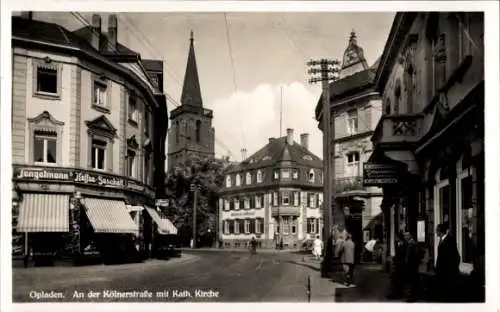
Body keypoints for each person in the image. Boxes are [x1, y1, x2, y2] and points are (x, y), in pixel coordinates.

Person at [435, 223, 460, 302]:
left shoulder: (450, 240)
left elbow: (455, 256)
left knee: (448, 293)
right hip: (441, 271)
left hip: (448, 271)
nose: (436, 232)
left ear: (440, 231)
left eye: (437, 230)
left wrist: (451, 269)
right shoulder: (441, 239)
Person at [387, 232, 408, 299]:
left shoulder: (404, 245)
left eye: (396, 237)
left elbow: (402, 256)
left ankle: (396, 293)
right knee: (394, 276)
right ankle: (395, 292)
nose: (395, 239)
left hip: (402, 266)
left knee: (396, 277)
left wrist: (394, 259)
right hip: (399, 265)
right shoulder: (399, 244)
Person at [404, 232, 423, 302]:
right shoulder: (410, 244)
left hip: (412, 266)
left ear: (410, 236)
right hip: (411, 265)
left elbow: (415, 255)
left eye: (406, 236)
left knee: (414, 281)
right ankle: (414, 296)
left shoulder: (413, 244)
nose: (405, 237)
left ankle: (414, 297)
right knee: (413, 281)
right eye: (404, 236)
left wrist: (413, 264)